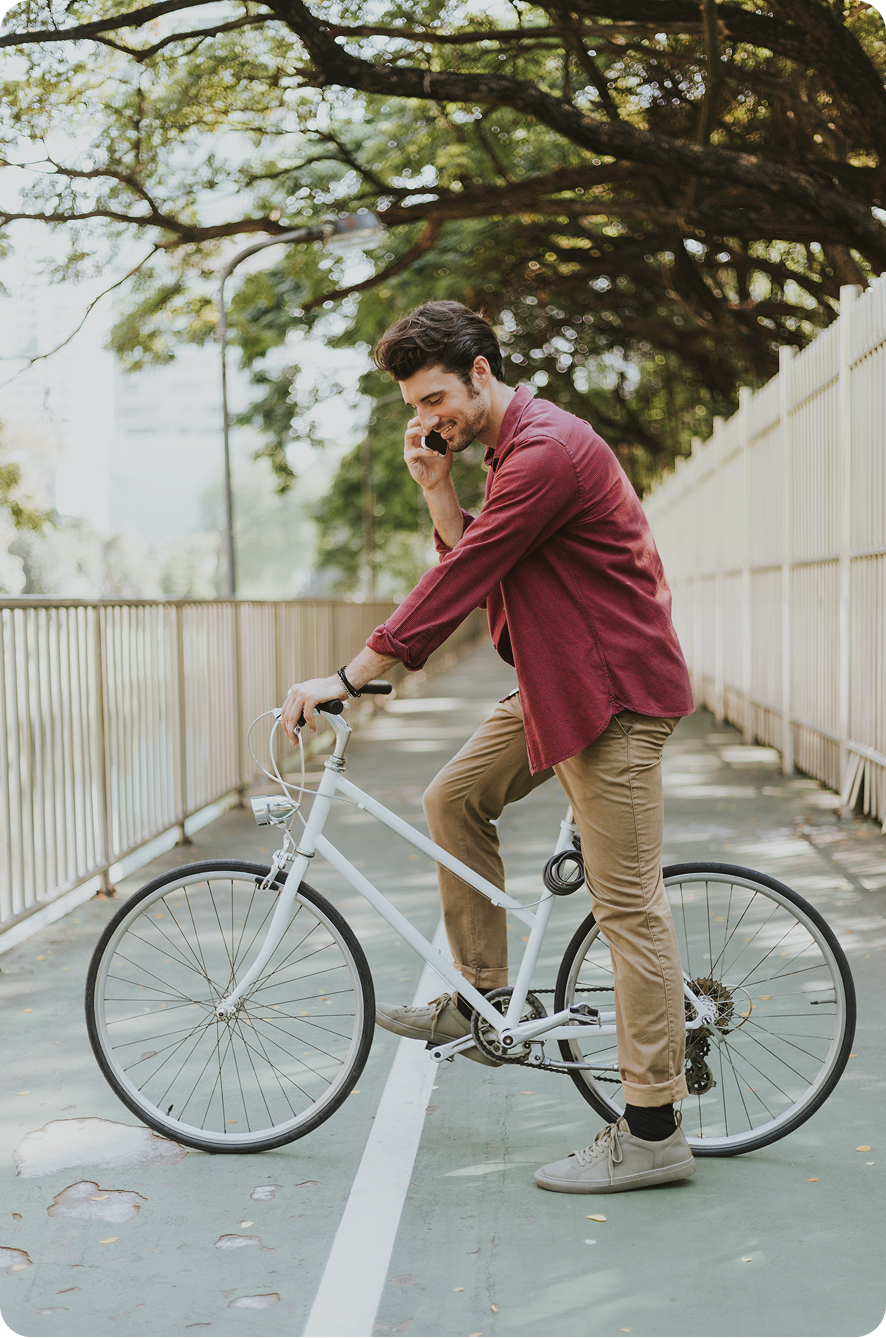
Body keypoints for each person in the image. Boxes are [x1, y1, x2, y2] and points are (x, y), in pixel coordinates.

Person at [281, 300, 696, 1195]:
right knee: (452, 800)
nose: (430, 419)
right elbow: (486, 554)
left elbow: (468, 577)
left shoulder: (546, 451)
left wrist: (348, 676)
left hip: (613, 696)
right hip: (560, 682)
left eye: (438, 397)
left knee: (629, 910)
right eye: (414, 408)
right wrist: (438, 489)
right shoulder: (510, 452)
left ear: (481, 372)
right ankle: (485, 999)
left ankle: (654, 1129)